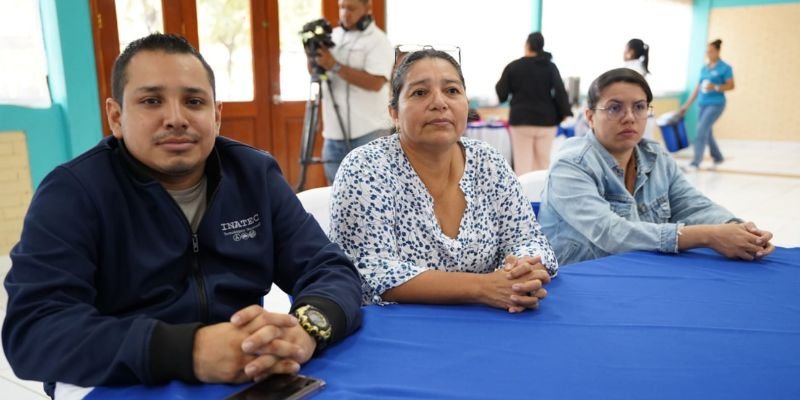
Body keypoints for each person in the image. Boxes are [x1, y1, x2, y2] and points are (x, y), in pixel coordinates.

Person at [2, 33, 362, 397]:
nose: (175, 118)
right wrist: (189, 350)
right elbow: (34, 330)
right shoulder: (72, 193)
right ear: (116, 116)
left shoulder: (254, 175)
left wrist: (307, 328)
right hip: (114, 376)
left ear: (216, 115)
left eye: (193, 101)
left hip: (245, 372)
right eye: (151, 101)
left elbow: (329, 268)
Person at [329, 49, 558, 313]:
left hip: (489, 323)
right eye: (419, 93)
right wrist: (484, 288)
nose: (439, 102)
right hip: (395, 332)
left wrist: (520, 271)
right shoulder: (367, 166)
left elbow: (530, 240)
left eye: (451, 91)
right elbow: (373, 272)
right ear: (394, 111)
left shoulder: (488, 162)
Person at [538, 68, 774, 266]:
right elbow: (611, 233)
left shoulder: (655, 156)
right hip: (579, 281)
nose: (629, 117)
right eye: (614, 108)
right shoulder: (571, 164)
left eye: (639, 107)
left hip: (641, 272)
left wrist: (738, 229)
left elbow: (692, 205)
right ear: (589, 117)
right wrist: (708, 236)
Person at [311, 0, 394, 184]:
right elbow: (315, 72)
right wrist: (312, 57)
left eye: (352, 8)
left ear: (367, 7)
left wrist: (334, 65)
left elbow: (375, 83)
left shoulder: (379, 41)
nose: (345, 13)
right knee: (335, 195)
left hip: (369, 132)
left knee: (372, 193)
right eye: (342, 7)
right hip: (333, 136)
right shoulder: (332, 36)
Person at [495, 32, 572, 174]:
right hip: (546, 121)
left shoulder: (513, 66)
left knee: (523, 166)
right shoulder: (550, 67)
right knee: (543, 165)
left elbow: (501, 93)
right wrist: (565, 114)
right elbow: (560, 91)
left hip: (521, 121)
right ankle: (542, 195)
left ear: (528, 45)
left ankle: (523, 196)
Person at [679, 39, 734, 171]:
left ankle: (695, 163)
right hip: (702, 104)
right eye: (707, 52)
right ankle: (718, 156)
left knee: (701, 130)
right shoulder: (704, 68)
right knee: (707, 131)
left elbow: (731, 85)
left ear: (717, 51)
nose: (708, 54)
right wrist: (686, 106)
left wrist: (714, 87)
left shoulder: (725, 68)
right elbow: (697, 88)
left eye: (711, 51)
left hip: (716, 104)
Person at [623, 38, 656, 140]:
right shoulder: (639, 67)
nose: (623, 53)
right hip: (642, 114)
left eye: (625, 50)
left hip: (639, 116)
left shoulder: (632, 70)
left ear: (630, 53)